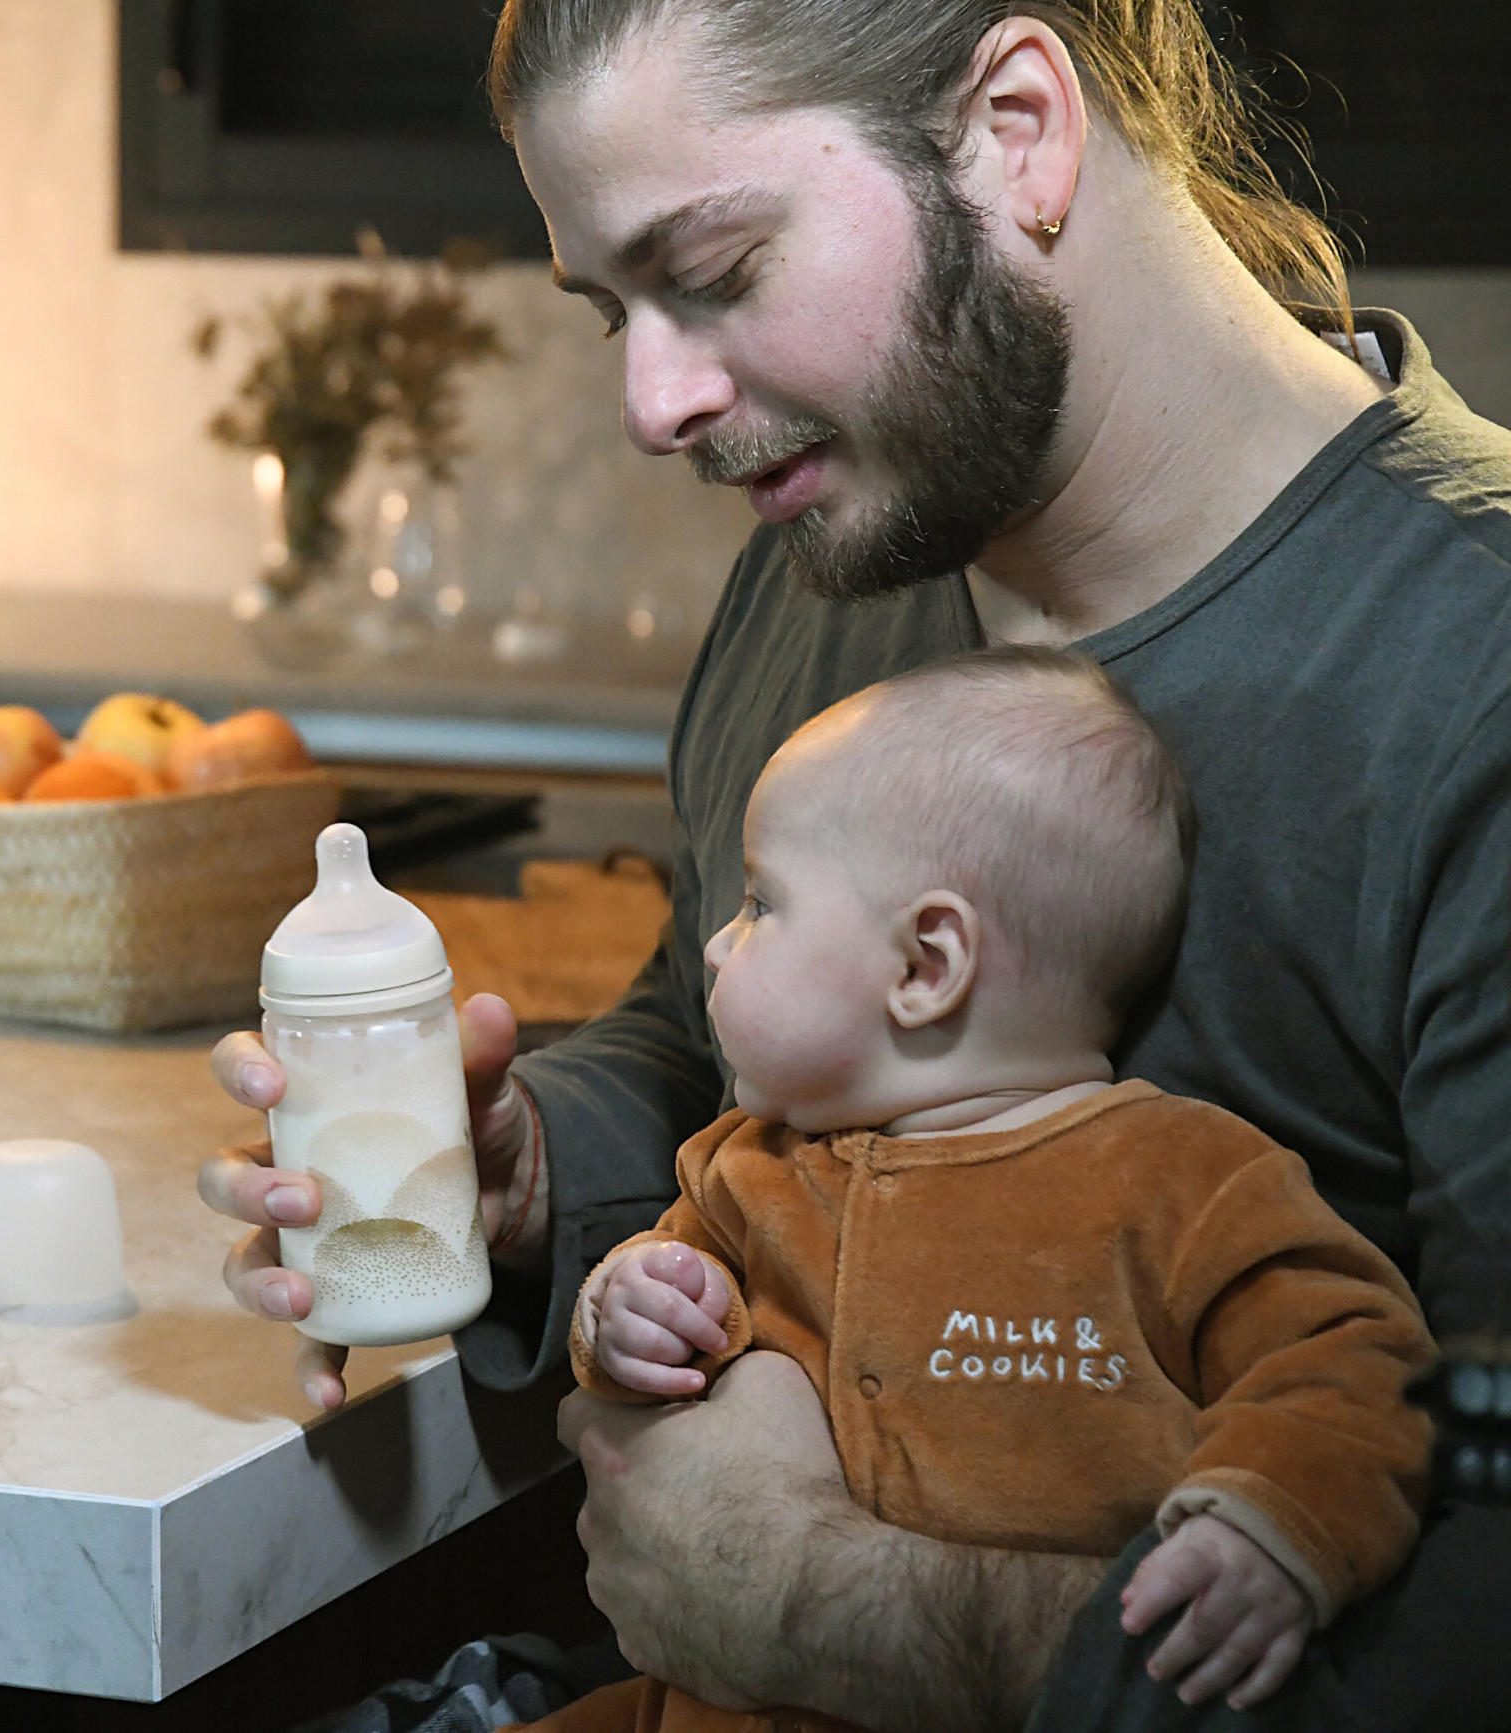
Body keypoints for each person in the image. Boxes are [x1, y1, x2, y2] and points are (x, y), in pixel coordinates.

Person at [198, 1, 1511, 1727]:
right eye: (615, 311)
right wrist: (522, 1178)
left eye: (718, 268)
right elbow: (700, 1040)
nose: (654, 402)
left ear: (1018, 131)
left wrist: (830, 1599)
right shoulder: (853, 557)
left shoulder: (1469, 672)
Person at [558, 648, 1432, 1731]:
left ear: (926, 963)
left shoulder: (1183, 1183)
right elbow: (648, 1333)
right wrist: (623, 1306)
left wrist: (1267, 1523)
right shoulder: (743, 1168)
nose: (714, 939)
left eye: (757, 900)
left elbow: (1358, 1356)